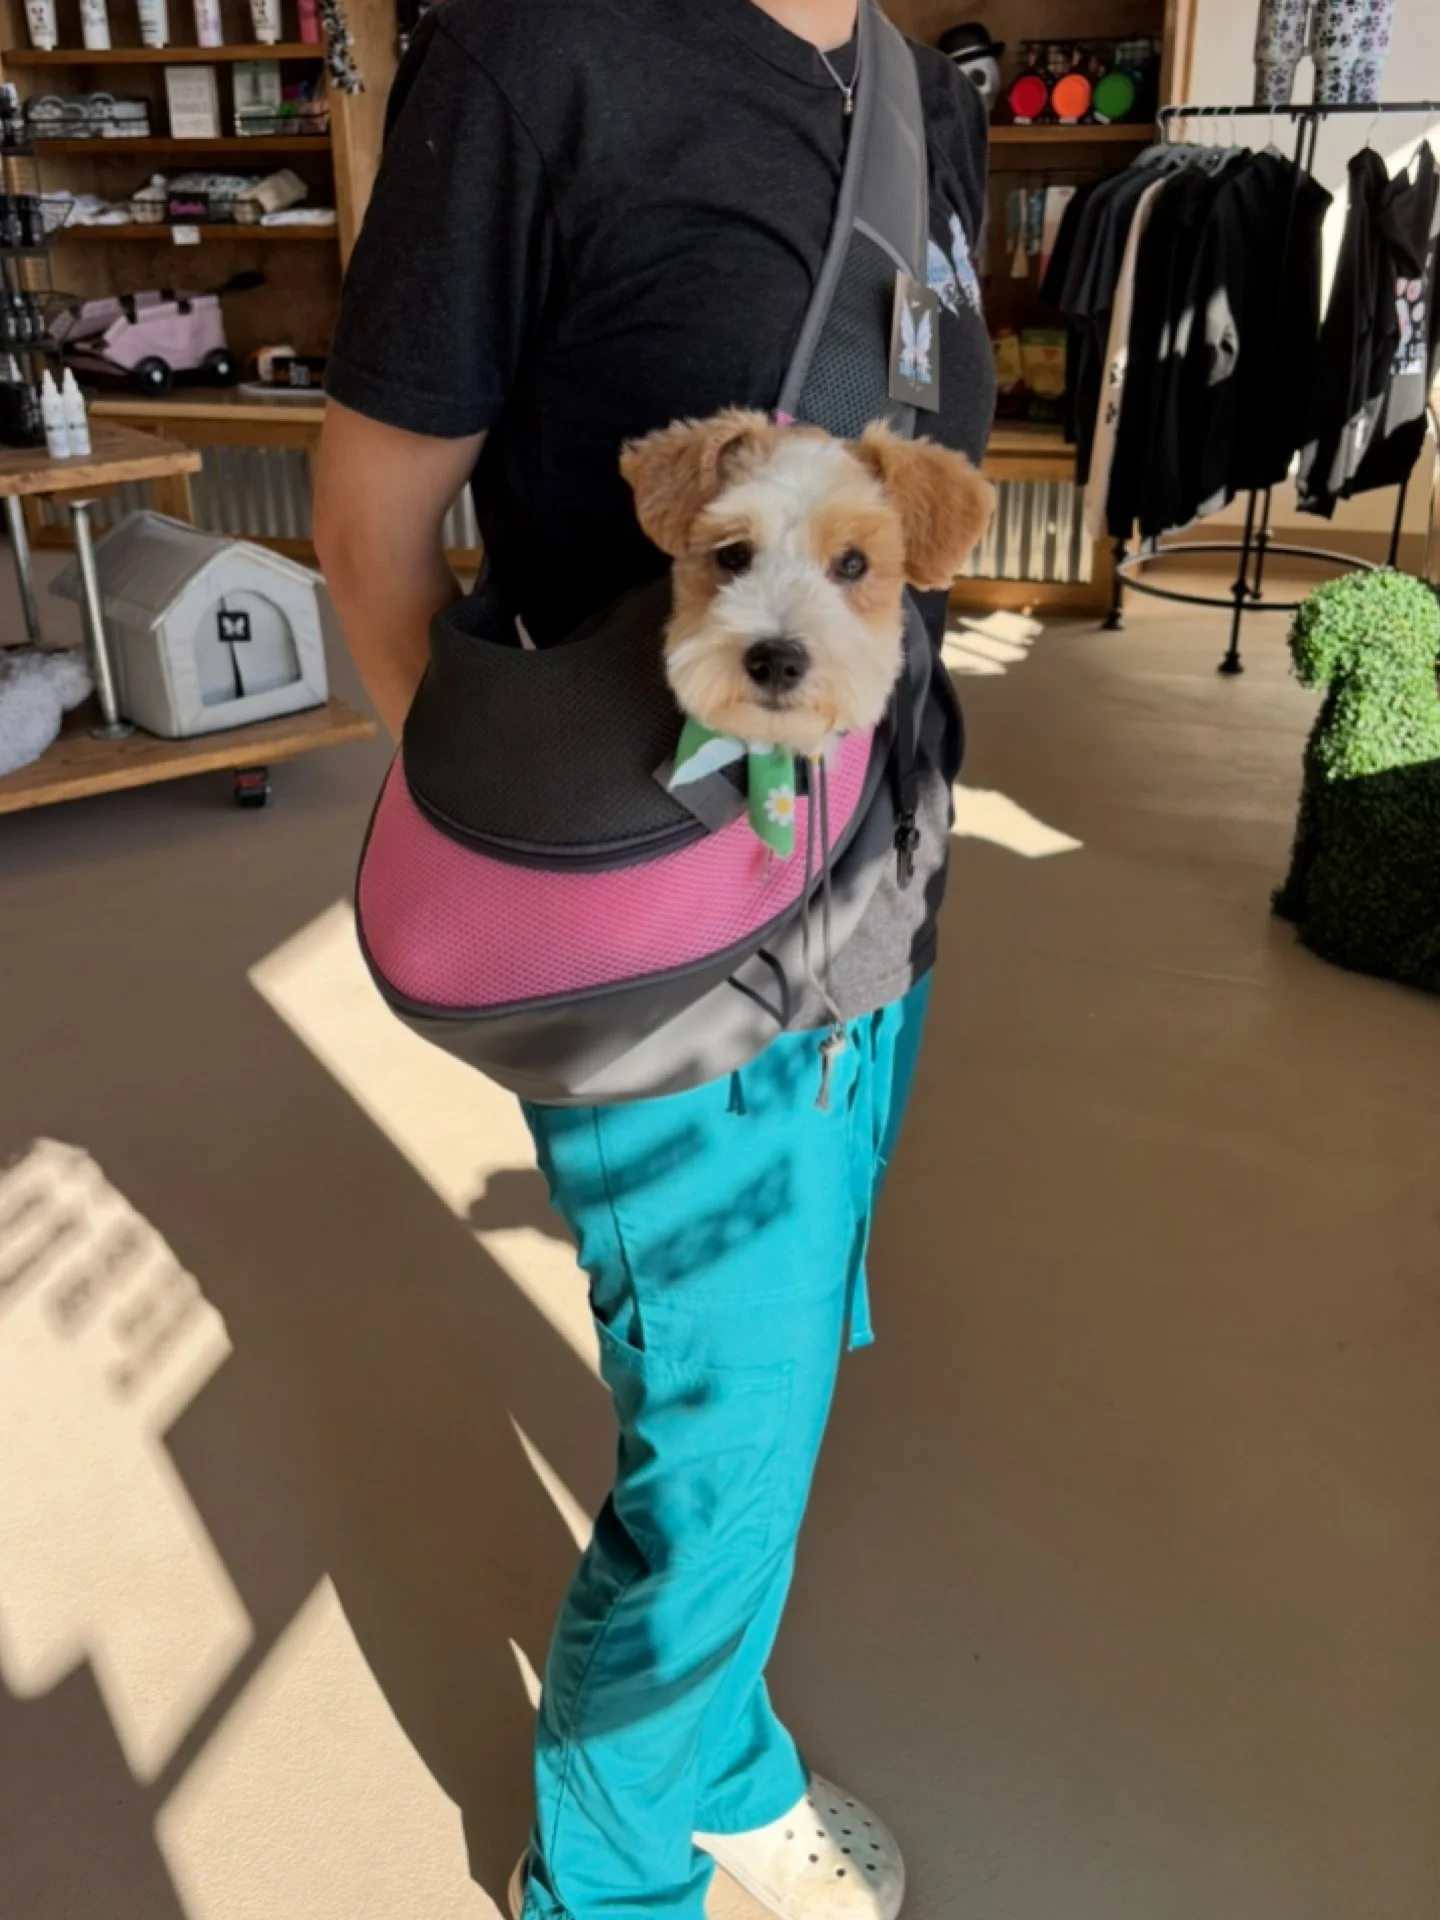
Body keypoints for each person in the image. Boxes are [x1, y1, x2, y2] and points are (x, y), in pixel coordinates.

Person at [314, 2, 995, 1914]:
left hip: (879, 888)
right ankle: (610, 1885)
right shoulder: (542, 55)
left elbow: (922, 488)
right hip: (668, 942)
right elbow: (373, 530)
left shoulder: (920, 94)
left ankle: (718, 1755)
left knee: (770, 1410)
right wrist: (543, 857)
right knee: (718, 1438)